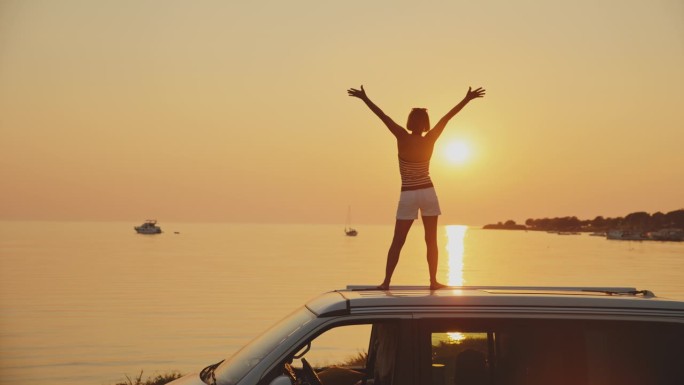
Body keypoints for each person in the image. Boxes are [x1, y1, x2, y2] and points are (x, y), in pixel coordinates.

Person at [347, 85, 485, 290]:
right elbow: (447, 117)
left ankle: (386, 282)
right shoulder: (431, 138)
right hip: (428, 192)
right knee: (431, 240)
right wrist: (467, 99)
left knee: (398, 241)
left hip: (409, 194)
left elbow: (382, 116)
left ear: (411, 122)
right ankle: (433, 281)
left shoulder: (402, 136)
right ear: (426, 124)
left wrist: (365, 98)